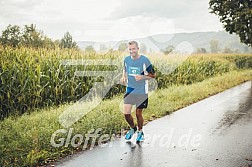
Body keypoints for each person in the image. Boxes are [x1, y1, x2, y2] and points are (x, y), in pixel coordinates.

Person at [120, 41, 156, 142]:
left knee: (138, 113)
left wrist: (142, 77)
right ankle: (133, 128)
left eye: (134, 49)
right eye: (130, 49)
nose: (132, 51)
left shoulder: (145, 60)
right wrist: (123, 77)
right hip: (130, 89)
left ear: (138, 49)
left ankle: (140, 131)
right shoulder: (126, 60)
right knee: (126, 113)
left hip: (141, 91)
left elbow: (153, 75)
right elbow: (125, 70)